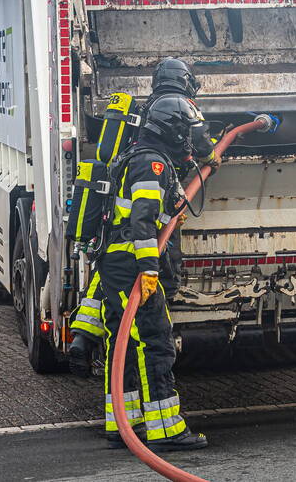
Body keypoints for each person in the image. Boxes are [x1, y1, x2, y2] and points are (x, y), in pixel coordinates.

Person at [68, 58, 218, 376]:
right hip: (145, 222)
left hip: (119, 228)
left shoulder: (147, 111)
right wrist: (210, 157)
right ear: (187, 82)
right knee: (150, 335)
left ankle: (84, 336)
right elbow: (200, 142)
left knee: (108, 289)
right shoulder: (176, 110)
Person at [100, 95, 209, 451]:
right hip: (132, 264)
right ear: (173, 131)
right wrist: (148, 270)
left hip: (118, 262)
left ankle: (124, 422)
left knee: (125, 344)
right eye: (187, 131)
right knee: (155, 342)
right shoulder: (152, 164)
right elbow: (142, 222)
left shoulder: (143, 155)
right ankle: (165, 429)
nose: (189, 139)